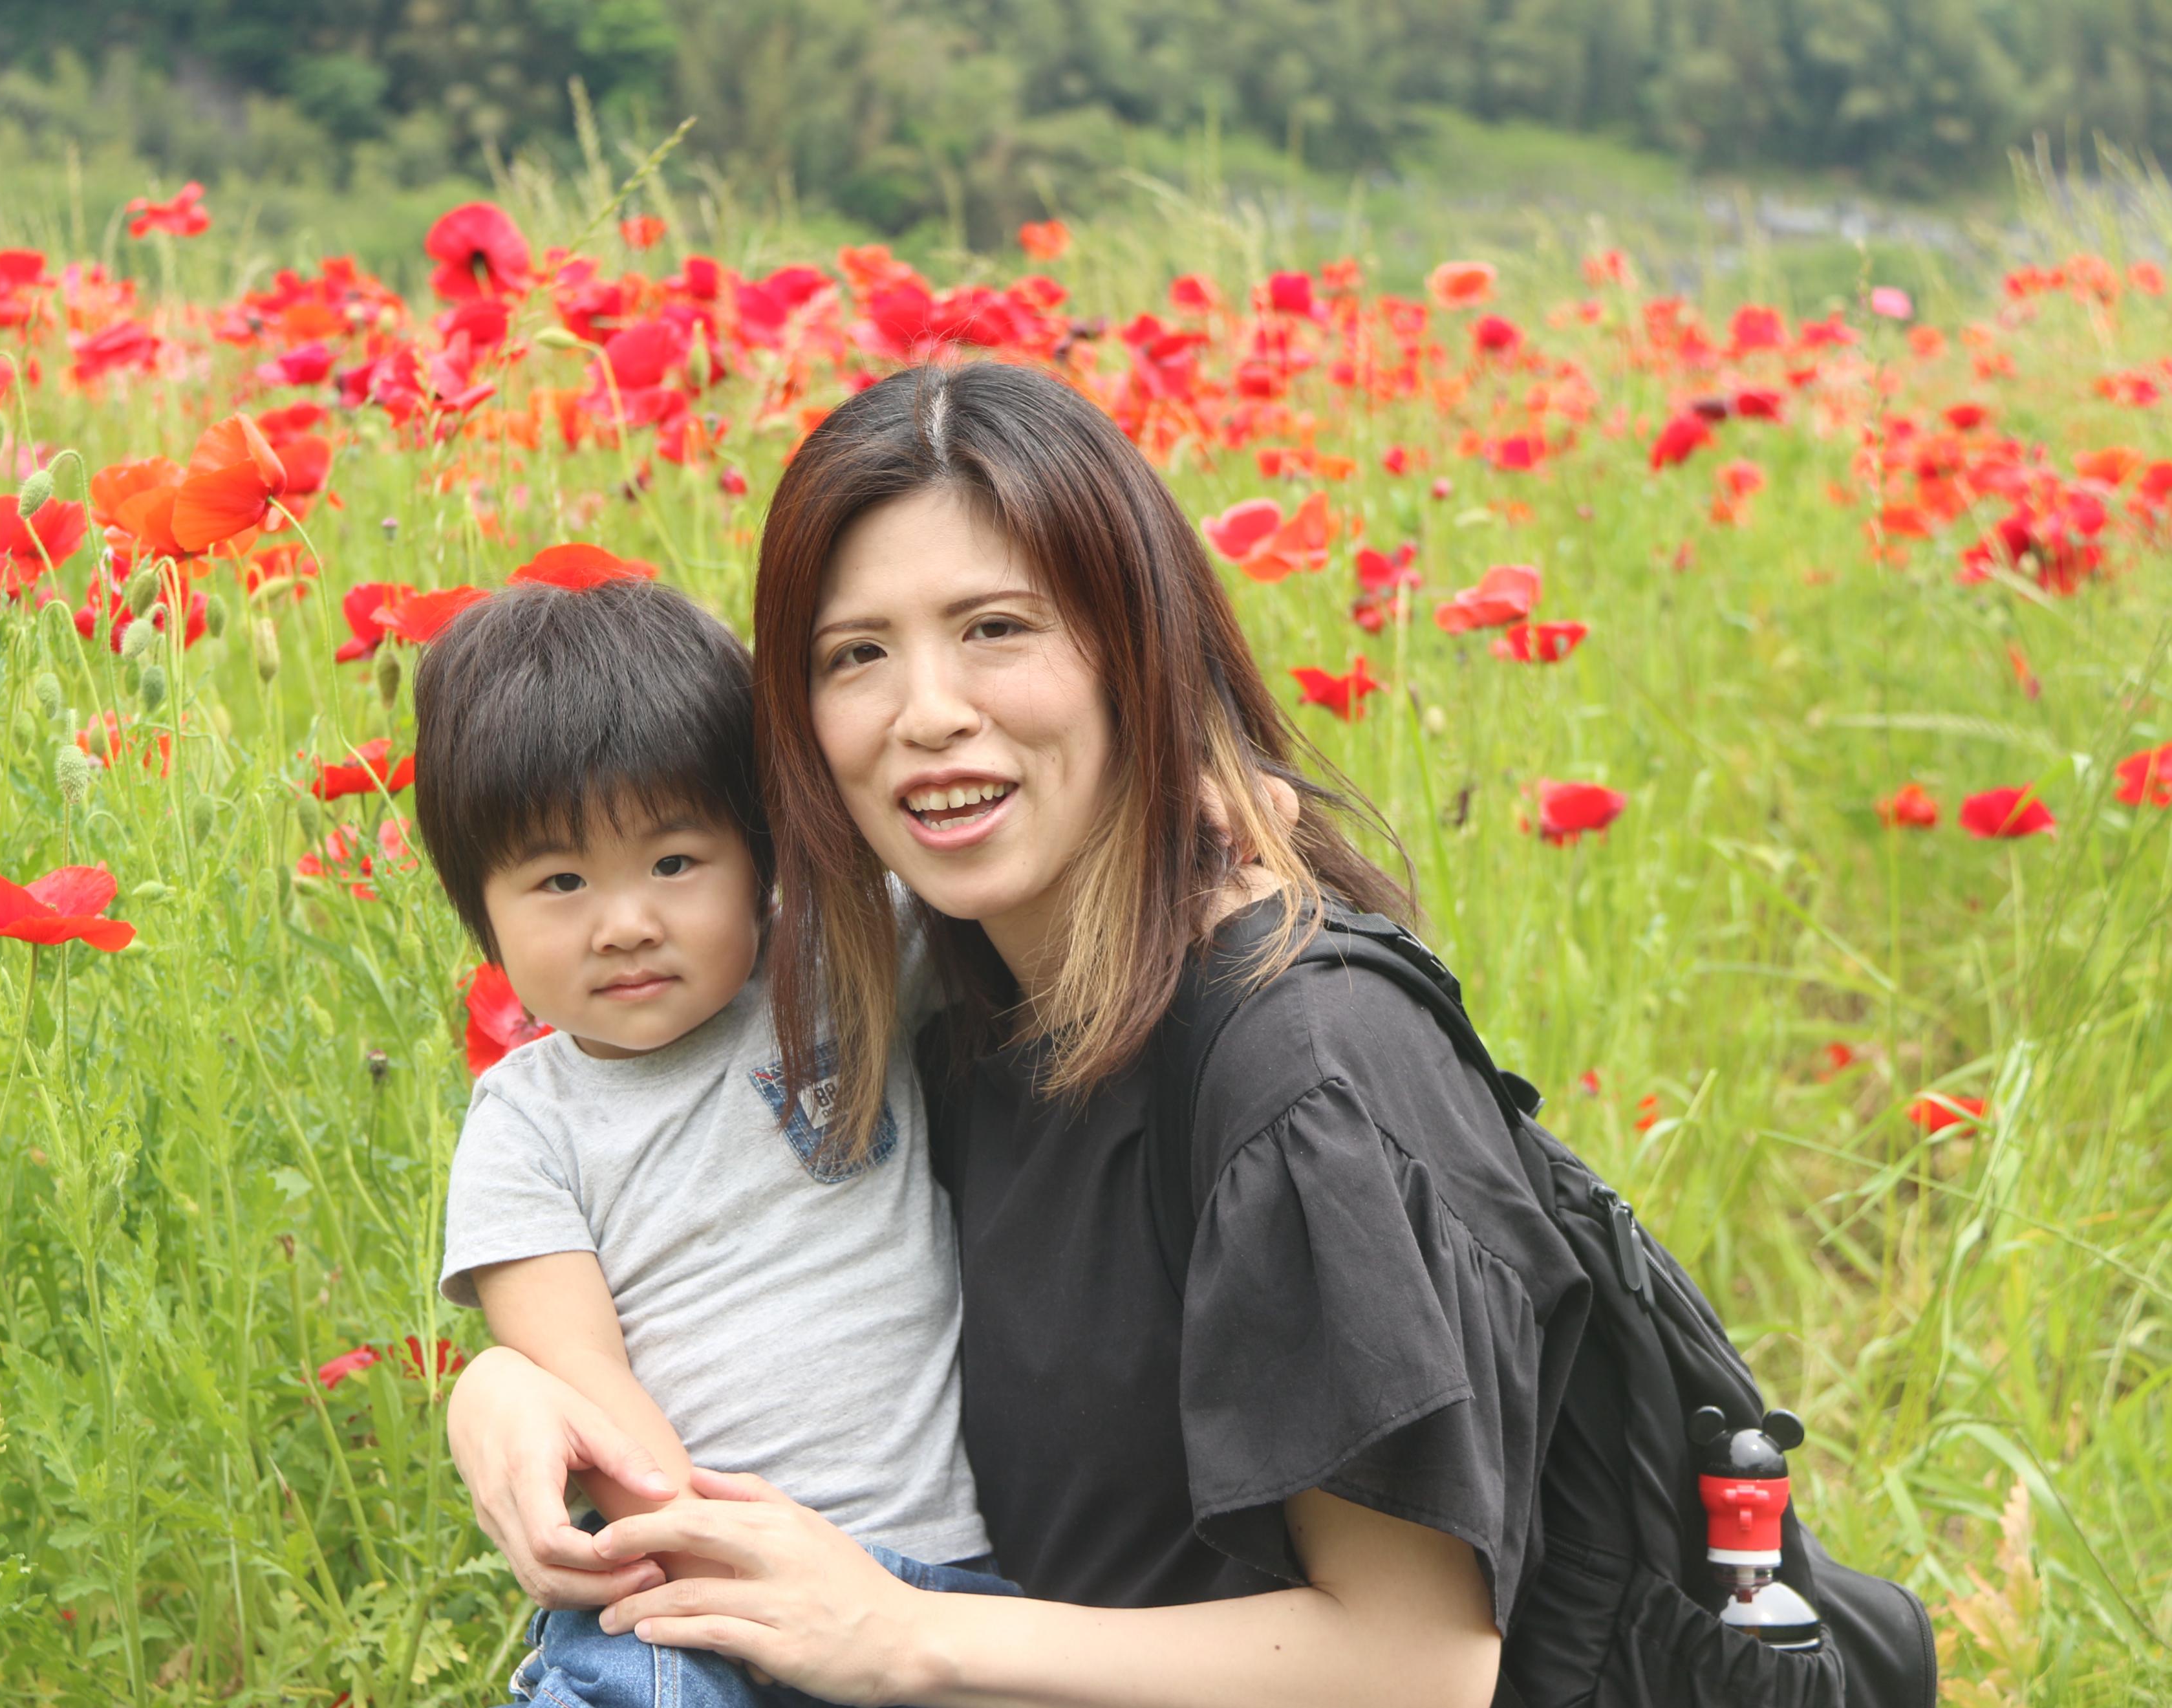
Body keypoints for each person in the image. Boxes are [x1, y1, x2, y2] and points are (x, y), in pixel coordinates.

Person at [447, 361, 1606, 1708]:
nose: (926, 710)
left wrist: (902, 1635)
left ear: (1138, 649)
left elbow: (1420, 1672)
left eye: (996, 627)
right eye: (854, 654)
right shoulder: (947, 1016)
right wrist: (507, 1394)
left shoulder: (1302, 1062)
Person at [410, 577, 1017, 1708]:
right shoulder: (528, 1122)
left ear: (763, 855)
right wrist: (708, 1553)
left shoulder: (838, 965)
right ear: (478, 912)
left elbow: (1025, 882)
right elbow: (577, 1370)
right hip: (676, 1594)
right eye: (558, 880)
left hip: (932, 1580)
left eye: (675, 863)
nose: (625, 920)